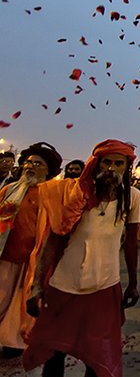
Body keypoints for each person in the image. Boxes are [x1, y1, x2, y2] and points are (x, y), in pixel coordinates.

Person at [23, 139, 140, 377]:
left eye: (118, 164)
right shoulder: (75, 194)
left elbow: (131, 243)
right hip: (64, 285)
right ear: (96, 164)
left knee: (96, 359)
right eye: (106, 162)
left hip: (104, 286)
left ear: (126, 168)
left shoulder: (133, 197)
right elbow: (52, 240)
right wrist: (36, 285)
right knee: (54, 356)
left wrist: (133, 284)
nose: (111, 168)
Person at [0, 143, 62, 357]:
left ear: (48, 170)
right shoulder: (9, 189)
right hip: (5, 255)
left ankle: (12, 343)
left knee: (19, 307)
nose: (31, 166)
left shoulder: (52, 194)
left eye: (37, 163)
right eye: (28, 162)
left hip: (31, 260)